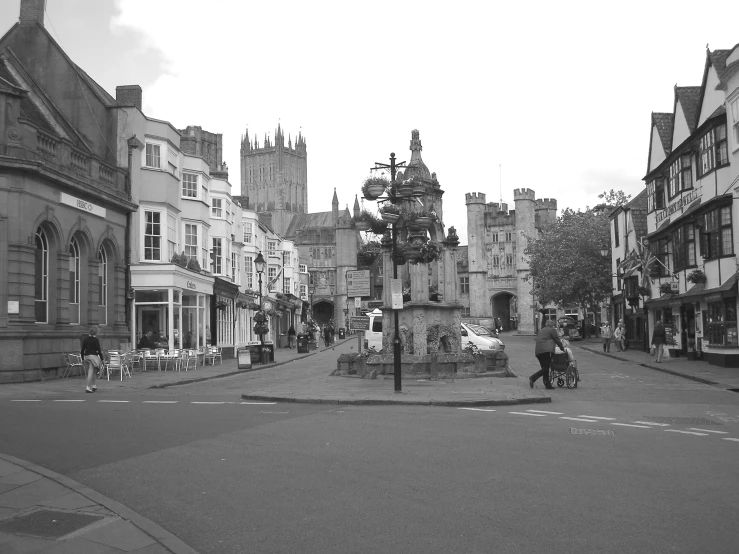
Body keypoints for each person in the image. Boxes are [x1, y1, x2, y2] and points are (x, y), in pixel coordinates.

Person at [529, 319, 566, 390]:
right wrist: (562, 348)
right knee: (546, 368)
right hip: (546, 351)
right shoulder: (552, 330)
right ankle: (533, 378)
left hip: (538, 351)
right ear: (552, 325)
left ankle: (548, 385)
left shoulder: (541, 330)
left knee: (545, 368)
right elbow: (557, 339)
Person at [81, 326, 104, 393]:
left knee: (93, 371)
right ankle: (88, 387)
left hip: (86, 356)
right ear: (96, 333)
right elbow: (99, 350)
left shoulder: (85, 339)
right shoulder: (96, 340)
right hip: (93, 357)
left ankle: (94, 385)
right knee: (91, 371)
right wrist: (102, 359)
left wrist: (82, 358)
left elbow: (82, 350)